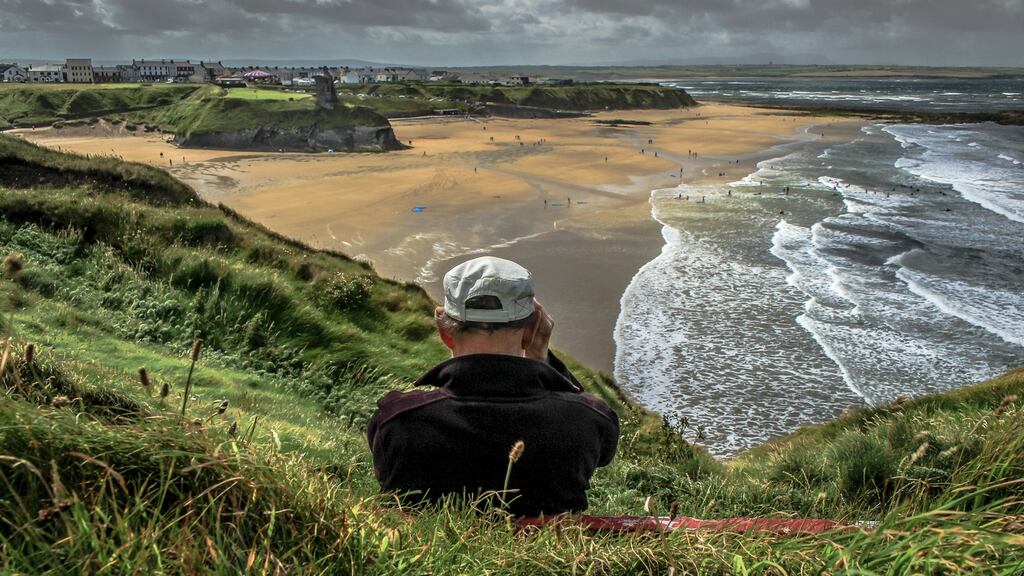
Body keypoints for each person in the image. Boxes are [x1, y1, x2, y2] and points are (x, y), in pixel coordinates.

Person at [367, 257, 619, 517]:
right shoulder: (587, 421)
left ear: (445, 332)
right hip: (547, 557)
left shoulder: (398, 422)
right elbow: (602, 444)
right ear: (532, 330)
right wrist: (543, 358)